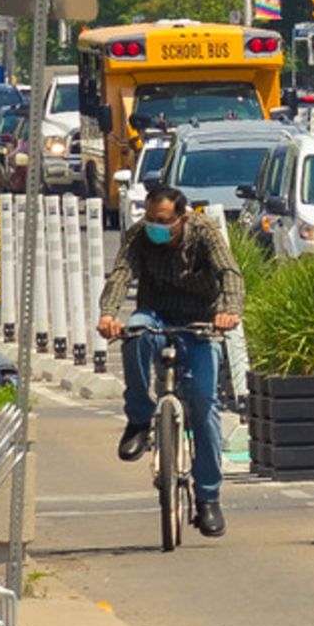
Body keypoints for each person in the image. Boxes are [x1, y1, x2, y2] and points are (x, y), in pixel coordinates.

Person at [96, 187, 245, 539]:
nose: (155, 226)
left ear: (183, 217)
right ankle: (138, 419)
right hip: (156, 315)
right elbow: (120, 274)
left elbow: (230, 273)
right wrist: (107, 314)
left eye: (163, 221)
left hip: (201, 322)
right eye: (150, 218)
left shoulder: (204, 232)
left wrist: (229, 311)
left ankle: (208, 498)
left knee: (205, 406)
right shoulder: (139, 237)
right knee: (135, 335)